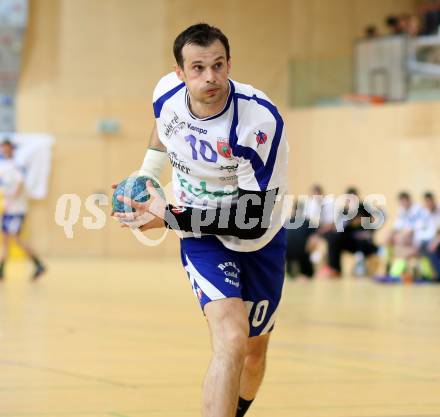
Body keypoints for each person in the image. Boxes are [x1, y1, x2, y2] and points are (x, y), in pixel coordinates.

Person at [113, 24, 288, 417]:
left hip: (257, 237)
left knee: (254, 354)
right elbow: (163, 127)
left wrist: (169, 216)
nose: (210, 77)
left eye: (218, 65)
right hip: (201, 236)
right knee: (231, 338)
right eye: (197, 68)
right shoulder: (166, 94)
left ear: (229, 64)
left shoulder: (258, 123)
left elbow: (252, 220)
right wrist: (146, 173)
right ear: (180, 72)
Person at [0, 139, 45, 280]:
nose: (4, 150)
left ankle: (38, 264)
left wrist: (11, 200)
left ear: (12, 149)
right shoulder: (3, 165)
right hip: (8, 210)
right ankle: (3, 270)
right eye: (2, 148)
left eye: (7, 148)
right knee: (7, 239)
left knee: (16, 239)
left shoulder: (16, 166)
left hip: (16, 210)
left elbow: (20, 184)